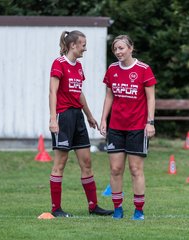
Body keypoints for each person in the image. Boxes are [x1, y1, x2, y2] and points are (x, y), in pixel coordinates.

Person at [48, 30, 113, 217]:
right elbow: (52, 92)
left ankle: (93, 207)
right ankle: (56, 209)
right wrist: (53, 119)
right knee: (61, 162)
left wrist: (89, 115)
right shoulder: (58, 64)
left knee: (86, 162)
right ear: (73, 45)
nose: (85, 48)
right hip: (63, 116)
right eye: (83, 44)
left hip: (78, 117)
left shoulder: (78, 66)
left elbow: (79, 93)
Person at [100, 35, 157, 220]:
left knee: (135, 169)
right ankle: (117, 209)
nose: (118, 52)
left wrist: (150, 122)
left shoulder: (143, 69)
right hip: (116, 127)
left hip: (137, 127)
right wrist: (103, 120)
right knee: (116, 169)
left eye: (121, 48)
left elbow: (150, 98)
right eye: (115, 49)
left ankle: (138, 210)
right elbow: (109, 96)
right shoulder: (112, 69)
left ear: (131, 48)